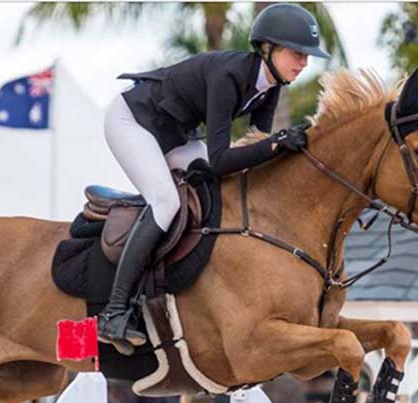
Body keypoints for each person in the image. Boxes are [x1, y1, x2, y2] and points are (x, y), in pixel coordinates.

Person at [99, 3, 331, 354]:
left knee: (213, 197)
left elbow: (254, 154)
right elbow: (222, 159)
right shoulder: (229, 76)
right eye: (297, 53)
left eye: (306, 56)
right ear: (267, 49)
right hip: (134, 120)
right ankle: (114, 312)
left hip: (176, 132)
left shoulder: (270, 87)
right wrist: (275, 145)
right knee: (166, 202)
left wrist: (284, 151)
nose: (303, 63)